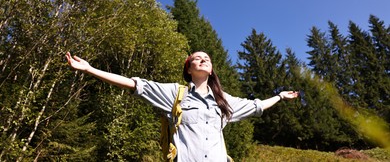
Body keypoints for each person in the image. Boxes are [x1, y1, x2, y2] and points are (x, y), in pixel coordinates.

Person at [66, 51, 299, 162]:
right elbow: (135, 85)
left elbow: (256, 106)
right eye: (197, 58)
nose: (203, 59)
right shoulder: (175, 94)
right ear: (189, 69)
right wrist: (89, 69)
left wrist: (279, 97)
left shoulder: (223, 101)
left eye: (207, 58)